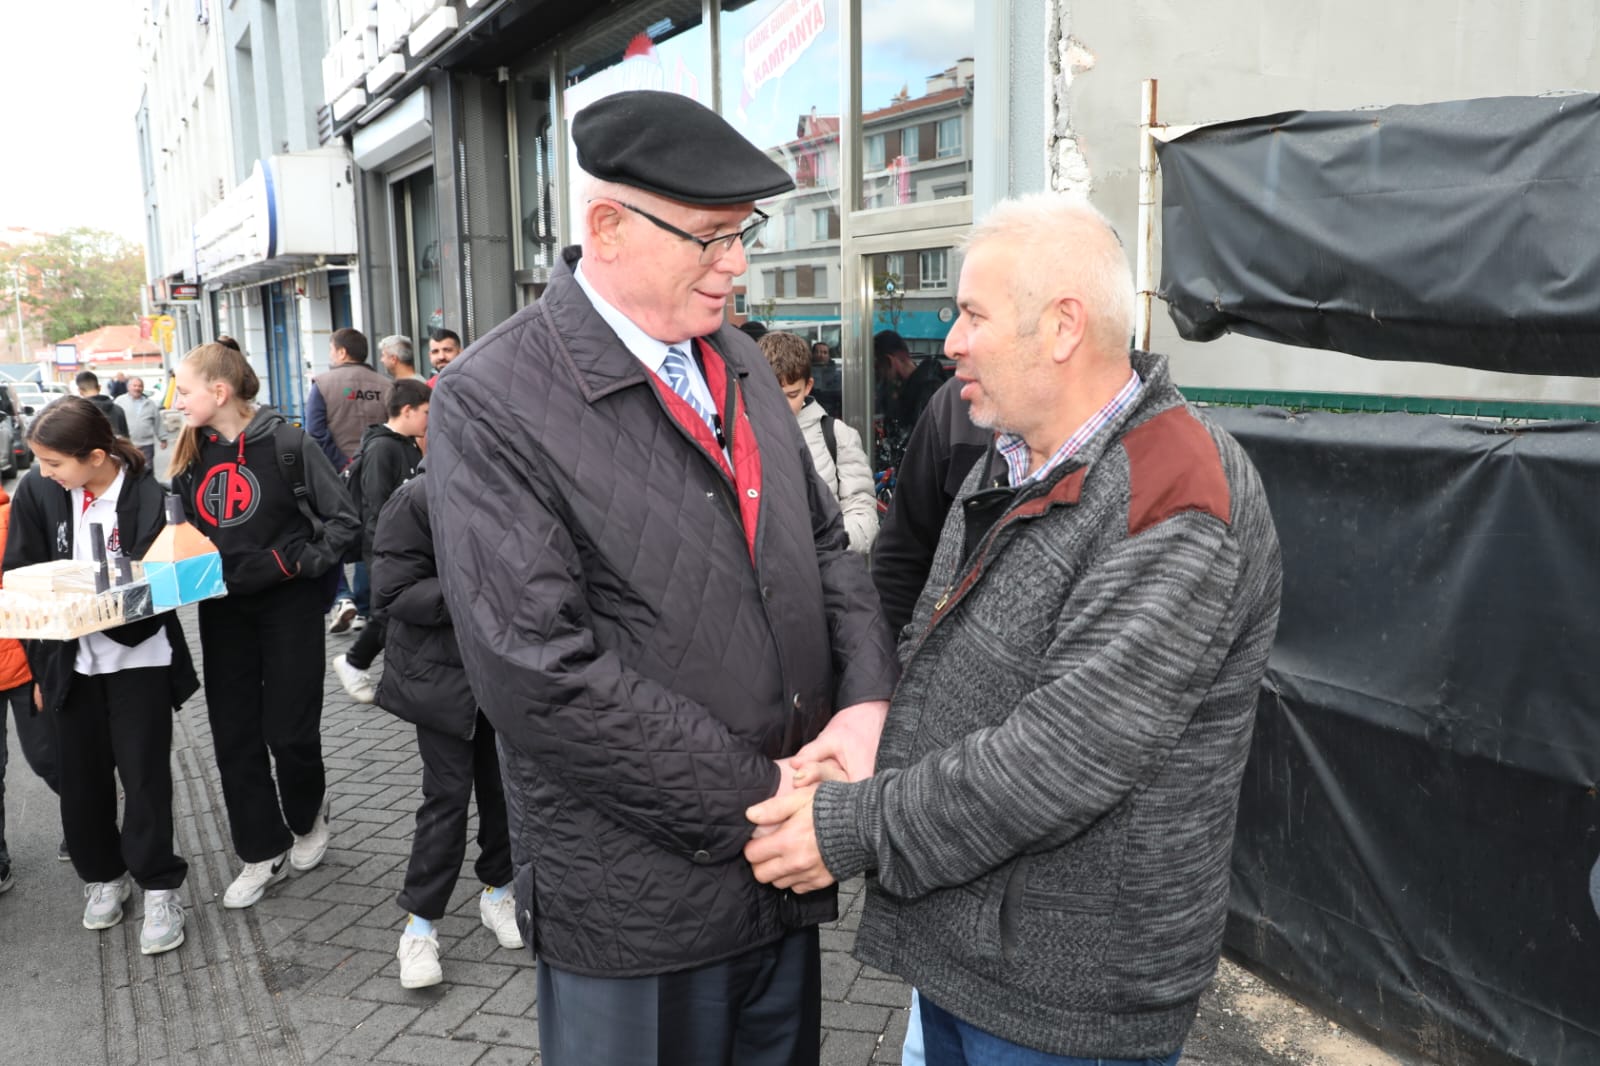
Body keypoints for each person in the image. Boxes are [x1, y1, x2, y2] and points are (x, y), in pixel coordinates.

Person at [744, 195, 1284, 1066]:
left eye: (971, 314)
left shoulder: (1177, 494)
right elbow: (938, 636)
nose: (949, 341)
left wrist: (845, 829)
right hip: (968, 955)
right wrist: (871, 735)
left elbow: (1063, 758)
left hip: (1067, 1006)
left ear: (1063, 327)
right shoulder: (1014, 454)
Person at [427, 89, 899, 1066]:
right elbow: (536, 668)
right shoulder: (492, 398)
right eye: (711, 238)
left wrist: (863, 708)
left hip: (778, 878)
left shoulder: (740, 361)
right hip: (639, 910)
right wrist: (767, 794)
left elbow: (821, 549)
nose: (736, 263)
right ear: (607, 226)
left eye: (743, 234)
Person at [3, 396, 200, 954]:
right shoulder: (40, 494)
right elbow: (18, 577)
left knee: (144, 778)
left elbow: (169, 584)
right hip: (69, 663)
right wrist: (42, 667)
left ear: (93, 456)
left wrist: (107, 605)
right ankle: (103, 877)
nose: (42, 472)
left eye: (54, 463)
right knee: (81, 779)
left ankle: (160, 884)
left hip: (140, 660)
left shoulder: (149, 497)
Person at [168, 342, 360, 910]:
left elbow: (345, 521)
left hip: (289, 607)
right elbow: (183, 536)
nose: (177, 401)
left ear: (219, 392)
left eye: (185, 390)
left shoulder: (289, 443)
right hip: (223, 611)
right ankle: (260, 850)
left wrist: (293, 563)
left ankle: (307, 815)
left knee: (291, 732)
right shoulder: (188, 457)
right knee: (234, 737)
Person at [368, 469, 521, 988]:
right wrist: (478, 591)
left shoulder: (519, 487)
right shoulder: (415, 497)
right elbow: (392, 592)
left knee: (504, 791)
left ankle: (500, 891)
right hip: (440, 676)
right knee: (447, 798)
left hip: (507, 673)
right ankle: (419, 926)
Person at [331, 378, 430, 703]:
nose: (430, 419)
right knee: (390, 614)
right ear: (407, 410)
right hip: (388, 549)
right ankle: (353, 661)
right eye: (426, 412)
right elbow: (378, 507)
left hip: (404, 548)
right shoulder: (382, 448)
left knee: (398, 614)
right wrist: (386, 554)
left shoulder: (406, 444)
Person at [871, 374, 993, 634]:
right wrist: (902, 660)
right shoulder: (954, 405)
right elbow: (900, 555)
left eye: (978, 329)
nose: (952, 344)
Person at [758, 330, 877, 554]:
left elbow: (863, 514)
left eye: (791, 395)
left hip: (823, 574)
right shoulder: (739, 435)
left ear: (808, 387)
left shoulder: (836, 435)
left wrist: (828, 545)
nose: (781, 406)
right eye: (771, 394)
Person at [306, 327, 388, 634]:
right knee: (372, 535)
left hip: (334, 477)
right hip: (377, 472)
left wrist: (343, 464)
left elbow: (316, 433)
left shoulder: (323, 384)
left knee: (331, 533)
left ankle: (341, 597)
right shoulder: (386, 385)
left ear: (341, 352)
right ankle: (365, 609)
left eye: (331, 350)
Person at [114, 376, 168, 469]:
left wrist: (163, 438)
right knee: (128, 469)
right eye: (134, 386)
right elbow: (114, 420)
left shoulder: (150, 403)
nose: (137, 388)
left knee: (147, 469)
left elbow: (158, 422)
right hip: (127, 444)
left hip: (146, 445)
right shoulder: (119, 401)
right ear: (128, 387)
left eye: (140, 386)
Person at [75, 371, 130, 438]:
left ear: (80, 391)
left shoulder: (78, 413)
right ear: (99, 387)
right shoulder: (118, 410)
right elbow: (126, 440)